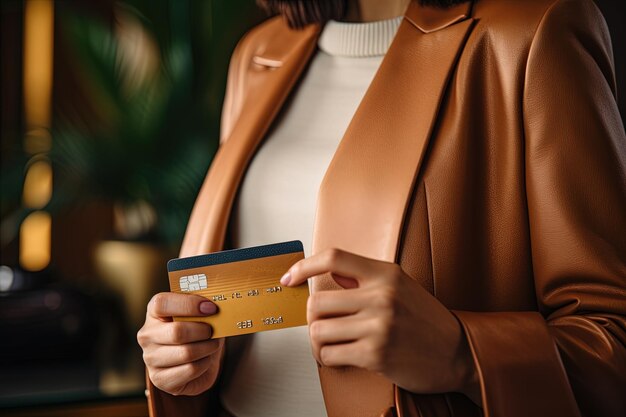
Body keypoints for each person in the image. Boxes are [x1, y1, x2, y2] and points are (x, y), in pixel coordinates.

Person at [137, 0, 626, 416]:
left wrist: (462, 352)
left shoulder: (536, 32)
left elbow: (611, 343)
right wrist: (180, 353)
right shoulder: (261, 52)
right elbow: (243, 300)